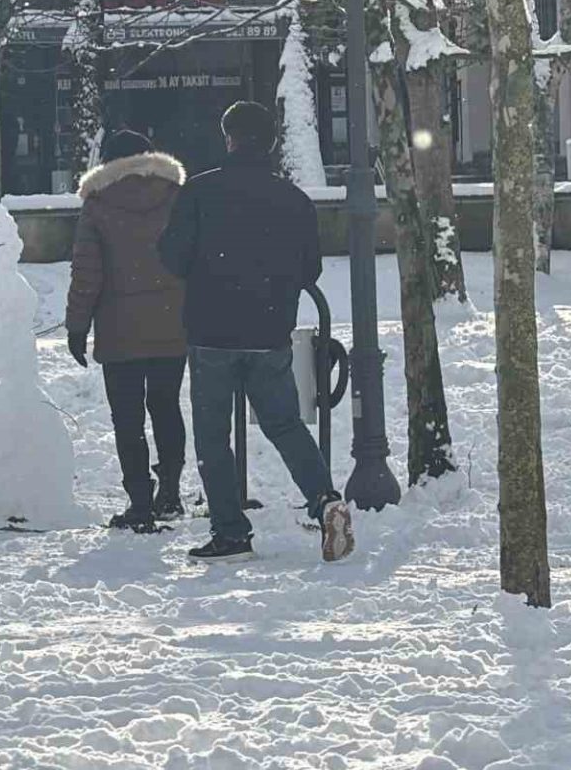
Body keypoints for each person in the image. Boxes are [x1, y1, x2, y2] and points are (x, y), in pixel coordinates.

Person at [157, 102, 355, 563]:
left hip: (212, 329)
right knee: (284, 424)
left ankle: (231, 532)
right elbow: (311, 267)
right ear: (272, 142)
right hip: (269, 330)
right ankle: (325, 499)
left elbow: (172, 257)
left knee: (213, 437)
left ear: (228, 138)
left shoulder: (200, 192)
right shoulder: (294, 200)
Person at [66, 130, 189, 532]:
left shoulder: (98, 203)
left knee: (128, 417)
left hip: (119, 327)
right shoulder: (175, 195)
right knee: (167, 406)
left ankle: (139, 500)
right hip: (172, 320)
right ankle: (170, 490)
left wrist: (77, 325)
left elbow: (87, 273)